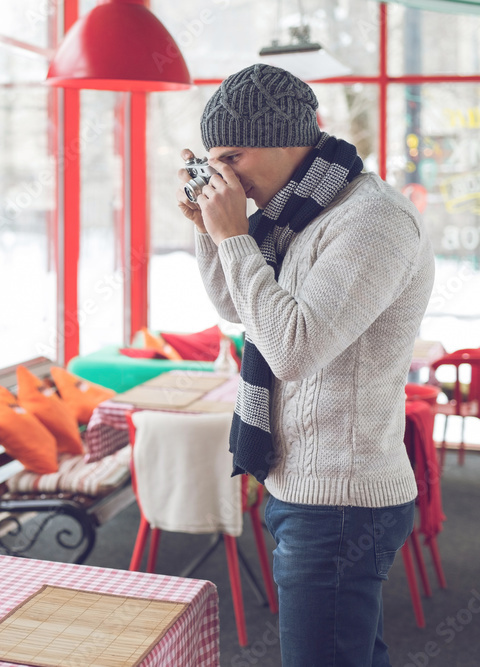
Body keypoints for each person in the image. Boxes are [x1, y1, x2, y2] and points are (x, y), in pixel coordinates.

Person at [177, 64, 434, 666]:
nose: (225, 177)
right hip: (307, 486)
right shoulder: (298, 212)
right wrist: (212, 234)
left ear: (288, 138)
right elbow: (238, 309)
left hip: (343, 495)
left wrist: (235, 237)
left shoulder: (371, 220)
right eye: (215, 162)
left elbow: (292, 349)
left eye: (233, 158)